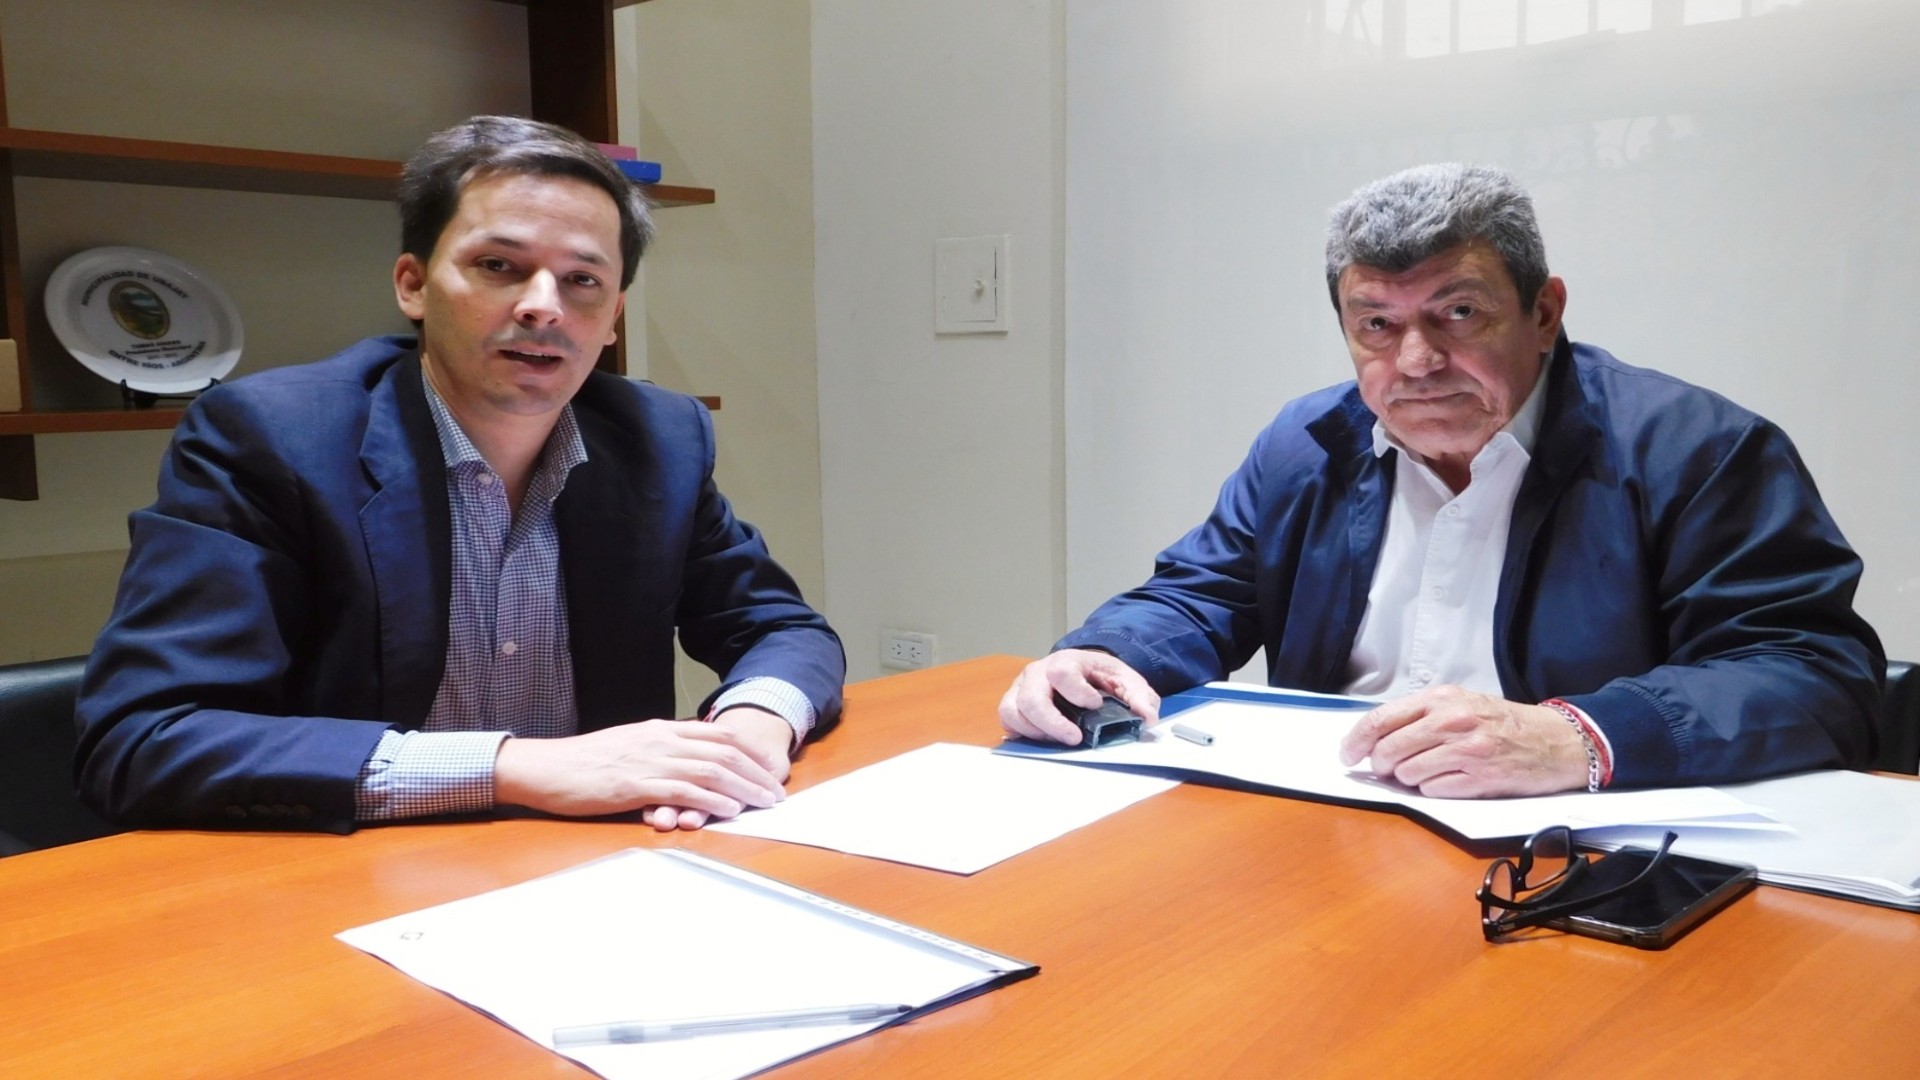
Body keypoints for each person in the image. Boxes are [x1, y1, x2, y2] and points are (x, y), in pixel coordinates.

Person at [1000, 163, 1883, 796]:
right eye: (1377, 325)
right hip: (1327, 830)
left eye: (1458, 313)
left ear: (1544, 312)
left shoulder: (1696, 449)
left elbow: (1815, 676)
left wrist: (1577, 736)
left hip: (1571, 848)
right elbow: (1200, 594)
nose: (1417, 361)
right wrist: (1106, 655)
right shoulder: (1306, 445)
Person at [76, 116, 844, 833]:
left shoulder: (659, 439)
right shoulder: (273, 437)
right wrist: (516, 769)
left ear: (613, 315)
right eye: (499, 266)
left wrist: (753, 724)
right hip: (353, 874)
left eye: (582, 280)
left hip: (599, 865)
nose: (543, 306)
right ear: (413, 284)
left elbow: (779, 628)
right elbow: (145, 737)